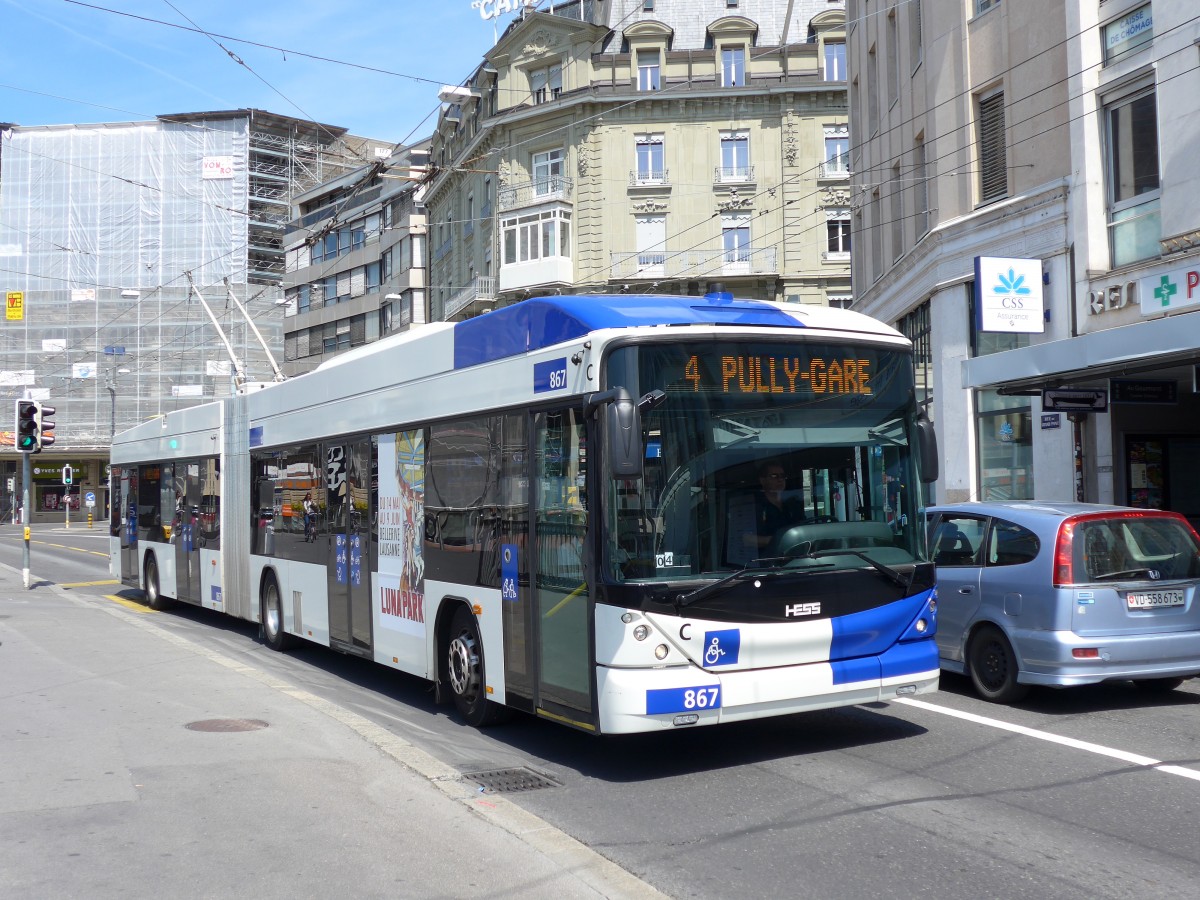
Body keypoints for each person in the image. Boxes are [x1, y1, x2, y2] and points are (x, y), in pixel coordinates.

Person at [746, 463, 805, 552]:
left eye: (782, 476)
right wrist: (781, 539)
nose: (780, 480)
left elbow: (803, 528)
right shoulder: (754, 506)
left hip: (794, 557)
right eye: (774, 476)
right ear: (762, 480)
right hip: (765, 561)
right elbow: (746, 539)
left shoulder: (793, 505)